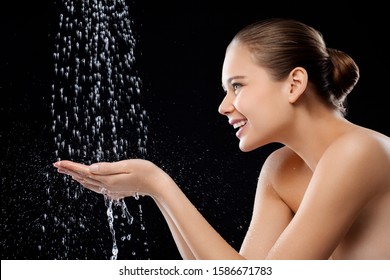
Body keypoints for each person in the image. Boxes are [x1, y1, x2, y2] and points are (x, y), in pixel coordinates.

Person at [53, 18, 390, 260]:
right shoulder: (281, 169)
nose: (224, 106)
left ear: (293, 84)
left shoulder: (359, 152)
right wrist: (157, 190)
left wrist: (160, 183)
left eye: (238, 86)